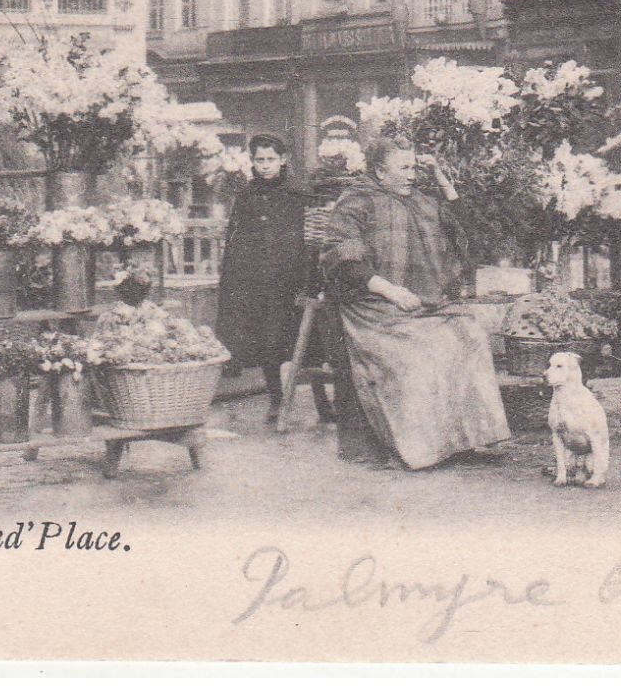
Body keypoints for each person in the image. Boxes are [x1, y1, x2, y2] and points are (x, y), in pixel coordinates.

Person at [320, 138, 510, 469]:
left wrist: (441, 179)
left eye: (414, 168)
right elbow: (342, 255)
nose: (412, 176)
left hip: (423, 303)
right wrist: (389, 290)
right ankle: (423, 449)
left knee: (469, 333)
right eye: (404, 168)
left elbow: (466, 234)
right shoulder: (357, 200)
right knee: (421, 350)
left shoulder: (423, 202)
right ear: (380, 170)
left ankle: (462, 440)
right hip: (371, 306)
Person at [214, 135, 329, 425]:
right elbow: (236, 239)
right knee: (269, 343)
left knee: (307, 341)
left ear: (283, 160)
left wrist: (309, 279)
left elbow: (311, 241)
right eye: (259, 160)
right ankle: (277, 400)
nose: (265, 166)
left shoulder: (299, 195)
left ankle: (322, 402)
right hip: (258, 283)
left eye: (270, 160)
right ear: (252, 162)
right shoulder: (247, 196)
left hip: (294, 279)